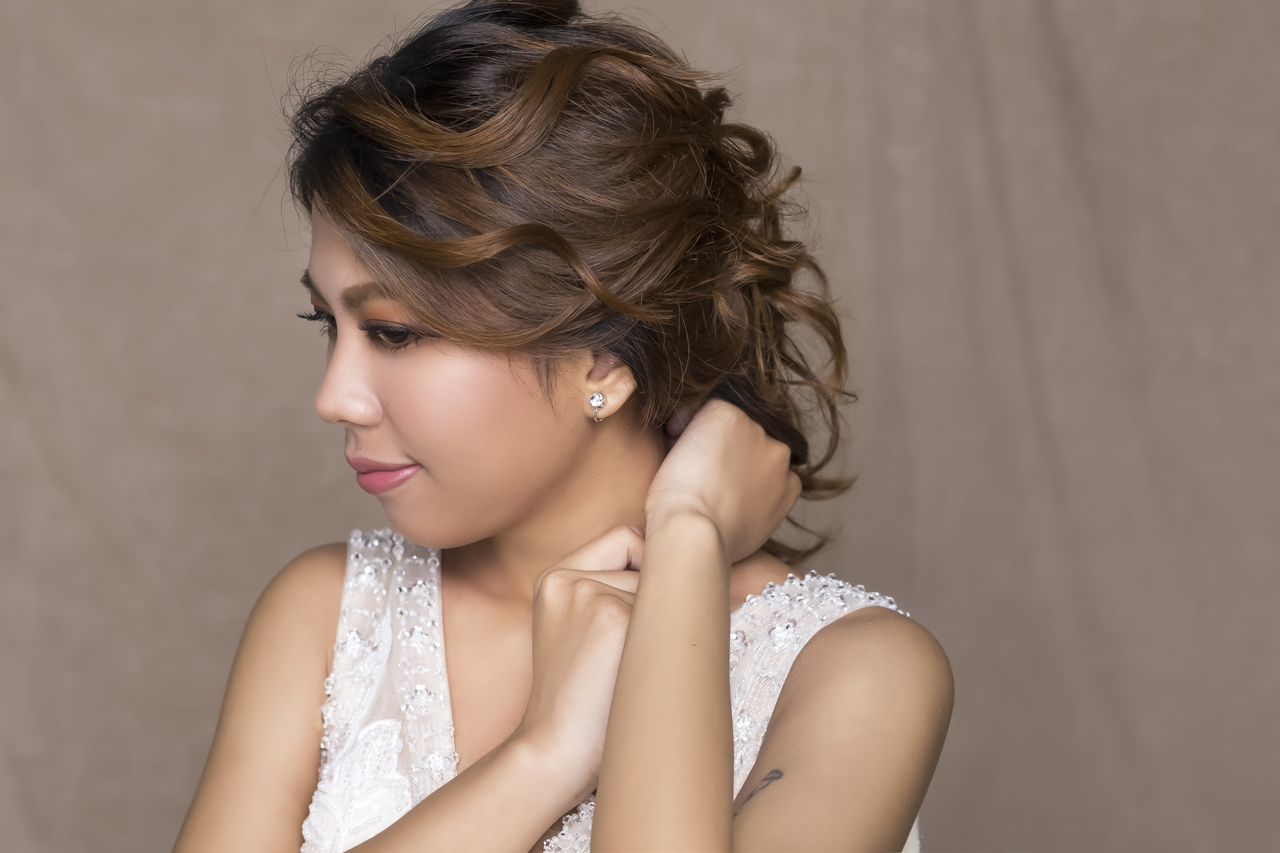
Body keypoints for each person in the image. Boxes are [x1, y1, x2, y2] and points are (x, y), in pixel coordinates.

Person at [173, 1, 953, 850]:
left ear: (604, 364)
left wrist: (687, 536)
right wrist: (544, 753)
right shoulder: (327, 618)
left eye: (393, 332)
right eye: (327, 322)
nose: (335, 397)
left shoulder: (855, 672)